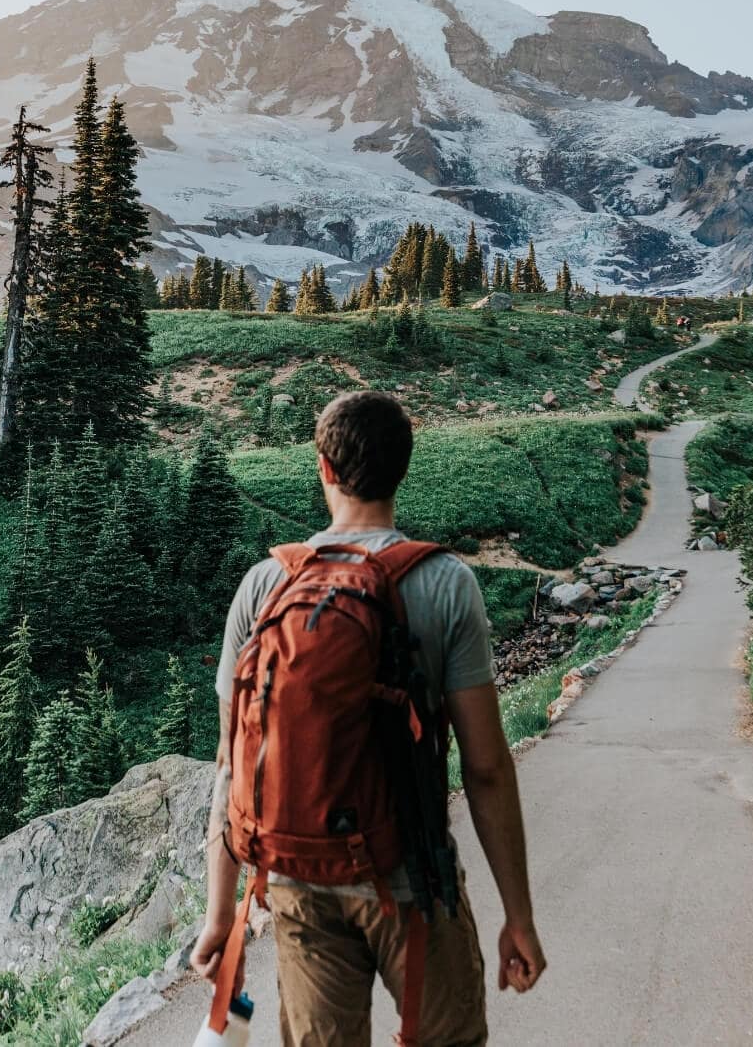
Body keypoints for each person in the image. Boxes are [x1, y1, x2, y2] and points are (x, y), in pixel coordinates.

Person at [191, 390, 546, 1046]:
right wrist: (518, 917)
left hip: (297, 878)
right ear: (402, 470)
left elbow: (230, 762)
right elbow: (488, 768)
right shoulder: (445, 585)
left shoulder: (264, 586)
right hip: (409, 876)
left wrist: (220, 915)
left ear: (323, 468)